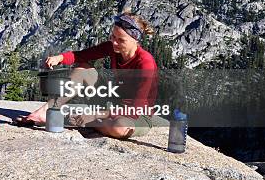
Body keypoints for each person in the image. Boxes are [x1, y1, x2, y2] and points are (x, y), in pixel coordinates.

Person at [14, 11, 158, 139]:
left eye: (121, 40)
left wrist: (95, 116)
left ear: (136, 40)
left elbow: (135, 109)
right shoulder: (113, 48)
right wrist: (60, 58)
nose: (114, 43)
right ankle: (46, 111)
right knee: (82, 69)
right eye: (113, 36)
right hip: (113, 102)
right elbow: (82, 56)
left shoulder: (145, 63)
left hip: (138, 115)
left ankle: (80, 121)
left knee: (120, 128)